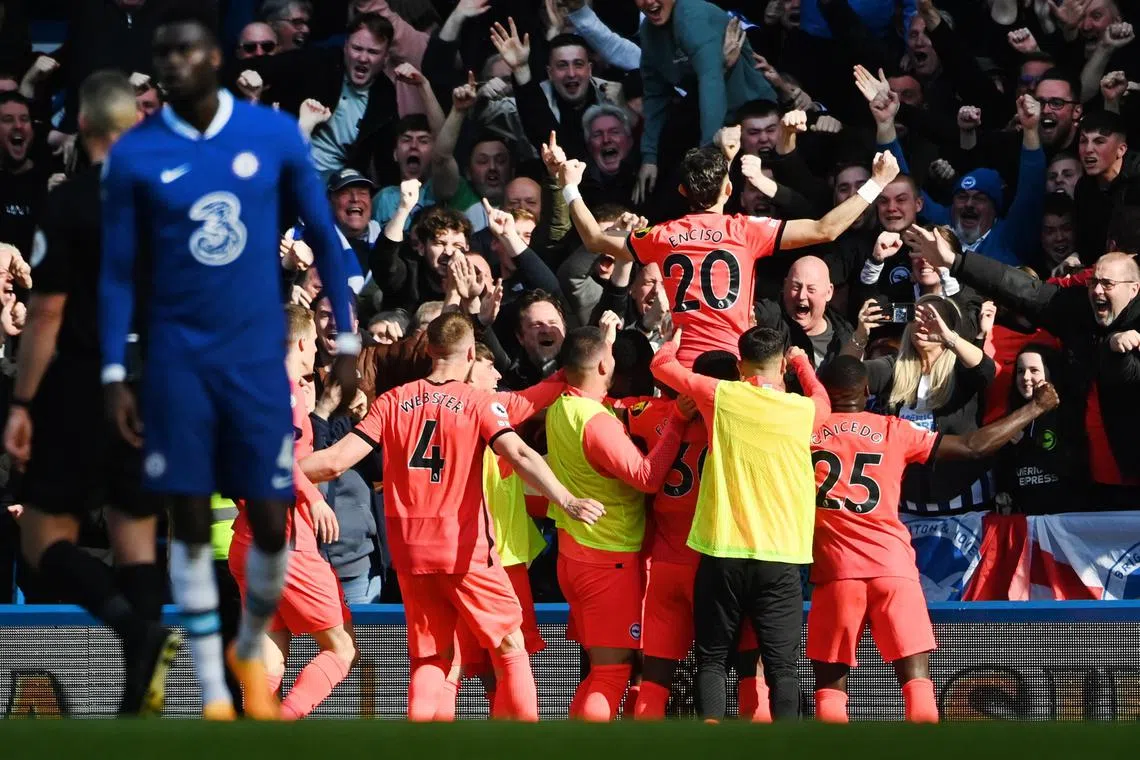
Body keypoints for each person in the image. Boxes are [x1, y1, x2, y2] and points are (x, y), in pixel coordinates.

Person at [97, 4, 359, 721]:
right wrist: (119, 368)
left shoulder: (270, 135)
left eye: (188, 53)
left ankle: (248, 708)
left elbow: (325, 237)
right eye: (163, 57)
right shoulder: (138, 154)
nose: (176, 67)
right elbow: (119, 270)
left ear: (214, 62)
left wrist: (347, 341)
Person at [299, 311, 604, 722]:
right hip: (463, 550)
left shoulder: (391, 401)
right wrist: (566, 500)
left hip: (409, 553)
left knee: (431, 658)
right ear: (469, 354)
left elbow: (335, 461)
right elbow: (519, 452)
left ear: (427, 350)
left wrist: (271, 472)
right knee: (510, 646)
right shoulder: (479, 403)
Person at [1, 70, 180, 717]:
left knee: (41, 539)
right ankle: (139, 703)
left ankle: (135, 631)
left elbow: (45, 313)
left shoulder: (73, 201)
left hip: (82, 385)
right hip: (155, 384)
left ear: (81, 126)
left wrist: (21, 404)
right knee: (137, 532)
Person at [808, 355, 1060, 722]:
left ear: (822, 393)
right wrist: (1035, 407)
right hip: (893, 570)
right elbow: (974, 446)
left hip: (836, 572)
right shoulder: (893, 429)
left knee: (831, 693)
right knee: (918, 689)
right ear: (866, 390)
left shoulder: (802, 432)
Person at [547, 137, 901, 366]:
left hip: (684, 365)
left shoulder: (661, 235)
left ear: (683, 191)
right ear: (729, 189)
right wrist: (877, 183)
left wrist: (570, 188)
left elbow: (594, 239)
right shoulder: (745, 230)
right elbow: (827, 228)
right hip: (733, 363)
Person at [650, 326, 830, 721]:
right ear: (781, 364)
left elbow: (661, 366)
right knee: (782, 666)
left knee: (712, 659)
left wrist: (673, 339)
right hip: (781, 556)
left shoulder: (721, 395)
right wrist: (802, 364)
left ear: (738, 365)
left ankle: (712, 740)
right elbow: (823, 400)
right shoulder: (801, 409)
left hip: (722, 552)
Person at [546, 323, 690, 721]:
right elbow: (646, 477)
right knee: (612, 674)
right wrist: (676, 420)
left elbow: (584, 361)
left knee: (598, 672)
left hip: (575, 553)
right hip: (607, 558)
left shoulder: (562, 406)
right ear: (605, 363)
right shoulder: (597, 420)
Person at [625, 350, 768, 721]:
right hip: (724, 561)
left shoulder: (651, 414)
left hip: (668, 561)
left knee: (654, 678)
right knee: (751, 673)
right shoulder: (747, 418)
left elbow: (618, 412)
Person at [229, 306, 356, 721]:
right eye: (314, 345)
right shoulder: (280, 390)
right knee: (341, 647)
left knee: (271, 659)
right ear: (302, 342)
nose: (316, 354)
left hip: (247, 537)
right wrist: (314, 500)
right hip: (286, 540)